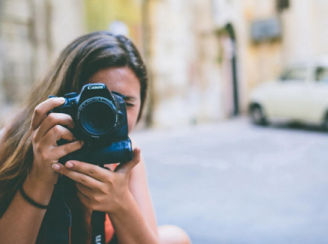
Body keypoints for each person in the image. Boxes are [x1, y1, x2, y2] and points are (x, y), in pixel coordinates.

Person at [0, 31, 191, 244]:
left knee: (175, 238)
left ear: (141, 105)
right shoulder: (12, 143)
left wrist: (120, 203)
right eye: (96, 104)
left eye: (124, 103)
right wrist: (39, 177)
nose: (108, 116)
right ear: (64, 99)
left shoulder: (125, 154)